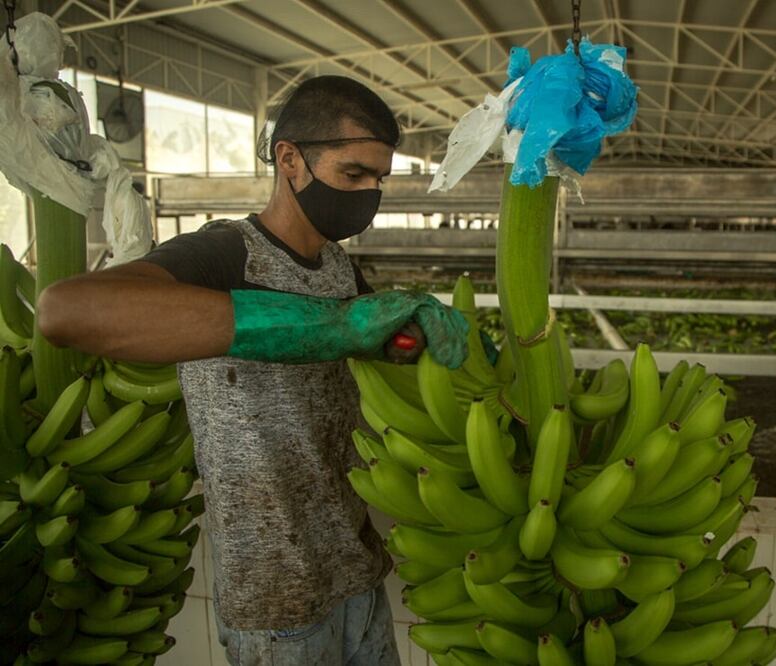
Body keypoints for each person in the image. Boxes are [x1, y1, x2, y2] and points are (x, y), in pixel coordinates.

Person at [36, 75, 471, 666]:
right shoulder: (224, 253)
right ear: (290, 159)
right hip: (274, 598)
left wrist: (419, 335)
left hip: (357, 569)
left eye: (378, 179)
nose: (370, 194)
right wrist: (332, 328)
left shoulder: (339, 266)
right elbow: (68, 310)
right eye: (353, 174)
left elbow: (374, 347)